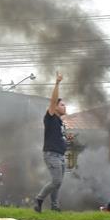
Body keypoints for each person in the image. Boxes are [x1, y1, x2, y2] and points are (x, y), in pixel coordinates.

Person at [34, 72, 70, 212]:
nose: (64, 107)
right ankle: (39, 199)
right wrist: (57, 83)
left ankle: (55, 206)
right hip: (52, 155)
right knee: (56, 181)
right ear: (55, 107)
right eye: (62, 105)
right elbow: (52, 101)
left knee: (58, 184)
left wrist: (67, 140)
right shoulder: (50, 117)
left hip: (60, 155)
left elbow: (59, 137)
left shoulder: (60, 122)